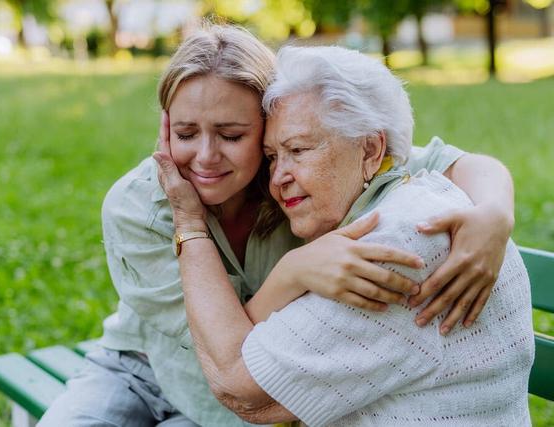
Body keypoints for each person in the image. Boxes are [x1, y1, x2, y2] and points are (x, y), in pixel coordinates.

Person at [39, 25, 516, 426]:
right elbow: (220, 342)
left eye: (232, 135)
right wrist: (294, 269)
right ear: (166, 128)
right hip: (146, 367)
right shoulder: (138, 207)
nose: (205, 157)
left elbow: (438, 160)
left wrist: (494, 212)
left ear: (268, 121)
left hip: (235, 404)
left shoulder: (293, 179)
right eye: (186, 134)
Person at [154, 45, 534, 426]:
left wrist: (188, 222)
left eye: (298, 150)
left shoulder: (396, 245)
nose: (277, 179)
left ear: (371, 149)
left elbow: (242, 390)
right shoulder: (407, 203)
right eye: (272, 157)